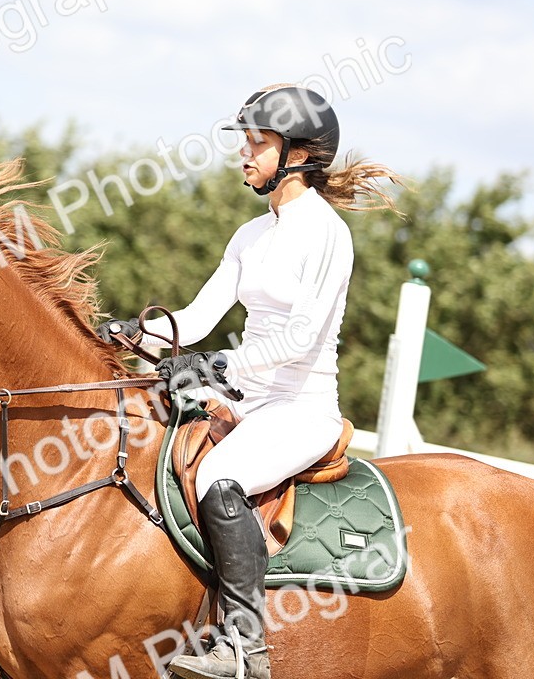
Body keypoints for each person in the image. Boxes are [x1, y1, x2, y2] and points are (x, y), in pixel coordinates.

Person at [98, 84, 403, 679]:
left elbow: (300, 339)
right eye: (245, 143)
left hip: (300, 408)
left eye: (258, 144)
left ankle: (244, 648)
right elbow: (193, 321)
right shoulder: (249, 235)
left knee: (217, 476)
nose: (244, 154)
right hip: (244, 401)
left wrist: (217, 367)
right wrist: (132, 334)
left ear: (299, 154)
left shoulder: (326, 233)